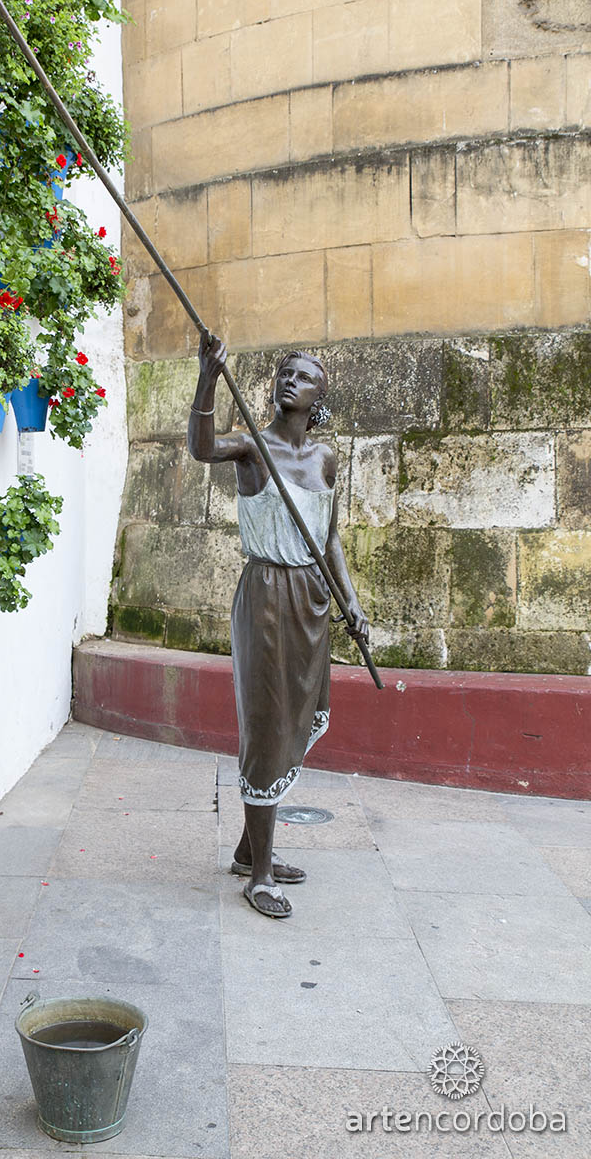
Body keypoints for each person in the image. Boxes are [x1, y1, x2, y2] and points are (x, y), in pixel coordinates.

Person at [188, 333, 369, 919]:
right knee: (266, 727)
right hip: (265, 597)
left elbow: (329, 537)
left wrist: (351, 601)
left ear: (319, 397)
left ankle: (250, 851)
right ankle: (260, 876)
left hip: (312, 602)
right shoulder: (252, 447)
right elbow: (201, 447)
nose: (291, 380)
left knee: (290, 722)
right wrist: (208, 377)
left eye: (305, 376)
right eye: (285, 372)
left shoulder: (325, 459)